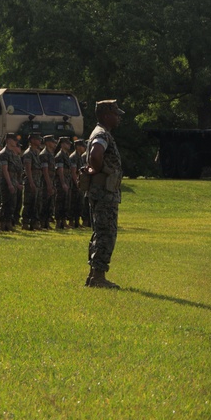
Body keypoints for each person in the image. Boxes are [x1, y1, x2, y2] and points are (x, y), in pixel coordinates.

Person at [84, 100, 125, 288]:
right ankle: (98, 277)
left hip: (102, 192)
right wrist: (99, 169)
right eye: (116, 114)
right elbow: (95, 154)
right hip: (104, 193)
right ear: (106, 115)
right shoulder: (101, 134)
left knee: (100, 232)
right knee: (106, 234)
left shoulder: (101, 133)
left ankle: (94, 275)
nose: (118, 118)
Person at [0, 133, 21, 232]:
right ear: (8, 140)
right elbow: (5, 170)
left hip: (13, 180)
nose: (16, 142)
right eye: (14, 140)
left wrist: (16, 183)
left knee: (12, 204)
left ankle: (8, 223)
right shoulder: (4, 154)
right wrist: (10, 183)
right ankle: (3, 224)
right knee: (6, 203)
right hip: (6, 181)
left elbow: (15, 171)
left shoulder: (12, 153)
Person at [21, 133, 44, 231]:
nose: (39, 141)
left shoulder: (36, 152)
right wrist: (31, 182)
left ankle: (34, 223)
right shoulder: (28, 153)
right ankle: (25, 222)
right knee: (28, 202)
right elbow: (28, 169)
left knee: (36, 203)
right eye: (38, 139)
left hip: (37, 179)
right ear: (33, 140)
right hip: (31, 180)